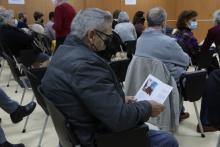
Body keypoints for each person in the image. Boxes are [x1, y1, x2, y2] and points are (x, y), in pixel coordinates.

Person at [41, 8, 179, 147]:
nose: (108, 41)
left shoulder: (62, 53)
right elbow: (119, 119)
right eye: (107, 37)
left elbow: (84, 96)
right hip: (98, 138)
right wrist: (148, 107)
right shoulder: (86, 66)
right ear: (91, 36)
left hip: (79, 131)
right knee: (168, 141)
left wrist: (118, 99)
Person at [135, 7, 190, 120]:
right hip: (166, 83)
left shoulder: (139, 40)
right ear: (164, 22)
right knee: (182, 73)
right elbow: (186, 61)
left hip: (146, 83)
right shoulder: (168, 42)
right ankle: (178, 112)